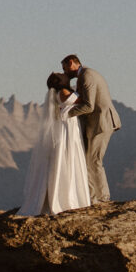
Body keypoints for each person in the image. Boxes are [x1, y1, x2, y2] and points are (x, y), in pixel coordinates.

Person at [19, 72, 91, 216]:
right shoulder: (64, 93)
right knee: (69, 157)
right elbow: (83, 101)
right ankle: (67, 198)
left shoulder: (55, 95)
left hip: (65, 127)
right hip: (68, 128)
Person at [62, 53, 121, 204]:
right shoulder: (84, 76)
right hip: (96, 124)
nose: (64, 73)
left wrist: (66, 114)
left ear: (71, 63)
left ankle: (102, 198)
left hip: (102, 122)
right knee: (87, 160)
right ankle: (92, 198)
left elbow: (89, 106)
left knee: (93, 160)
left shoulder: (88, 76)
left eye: (65, 69)